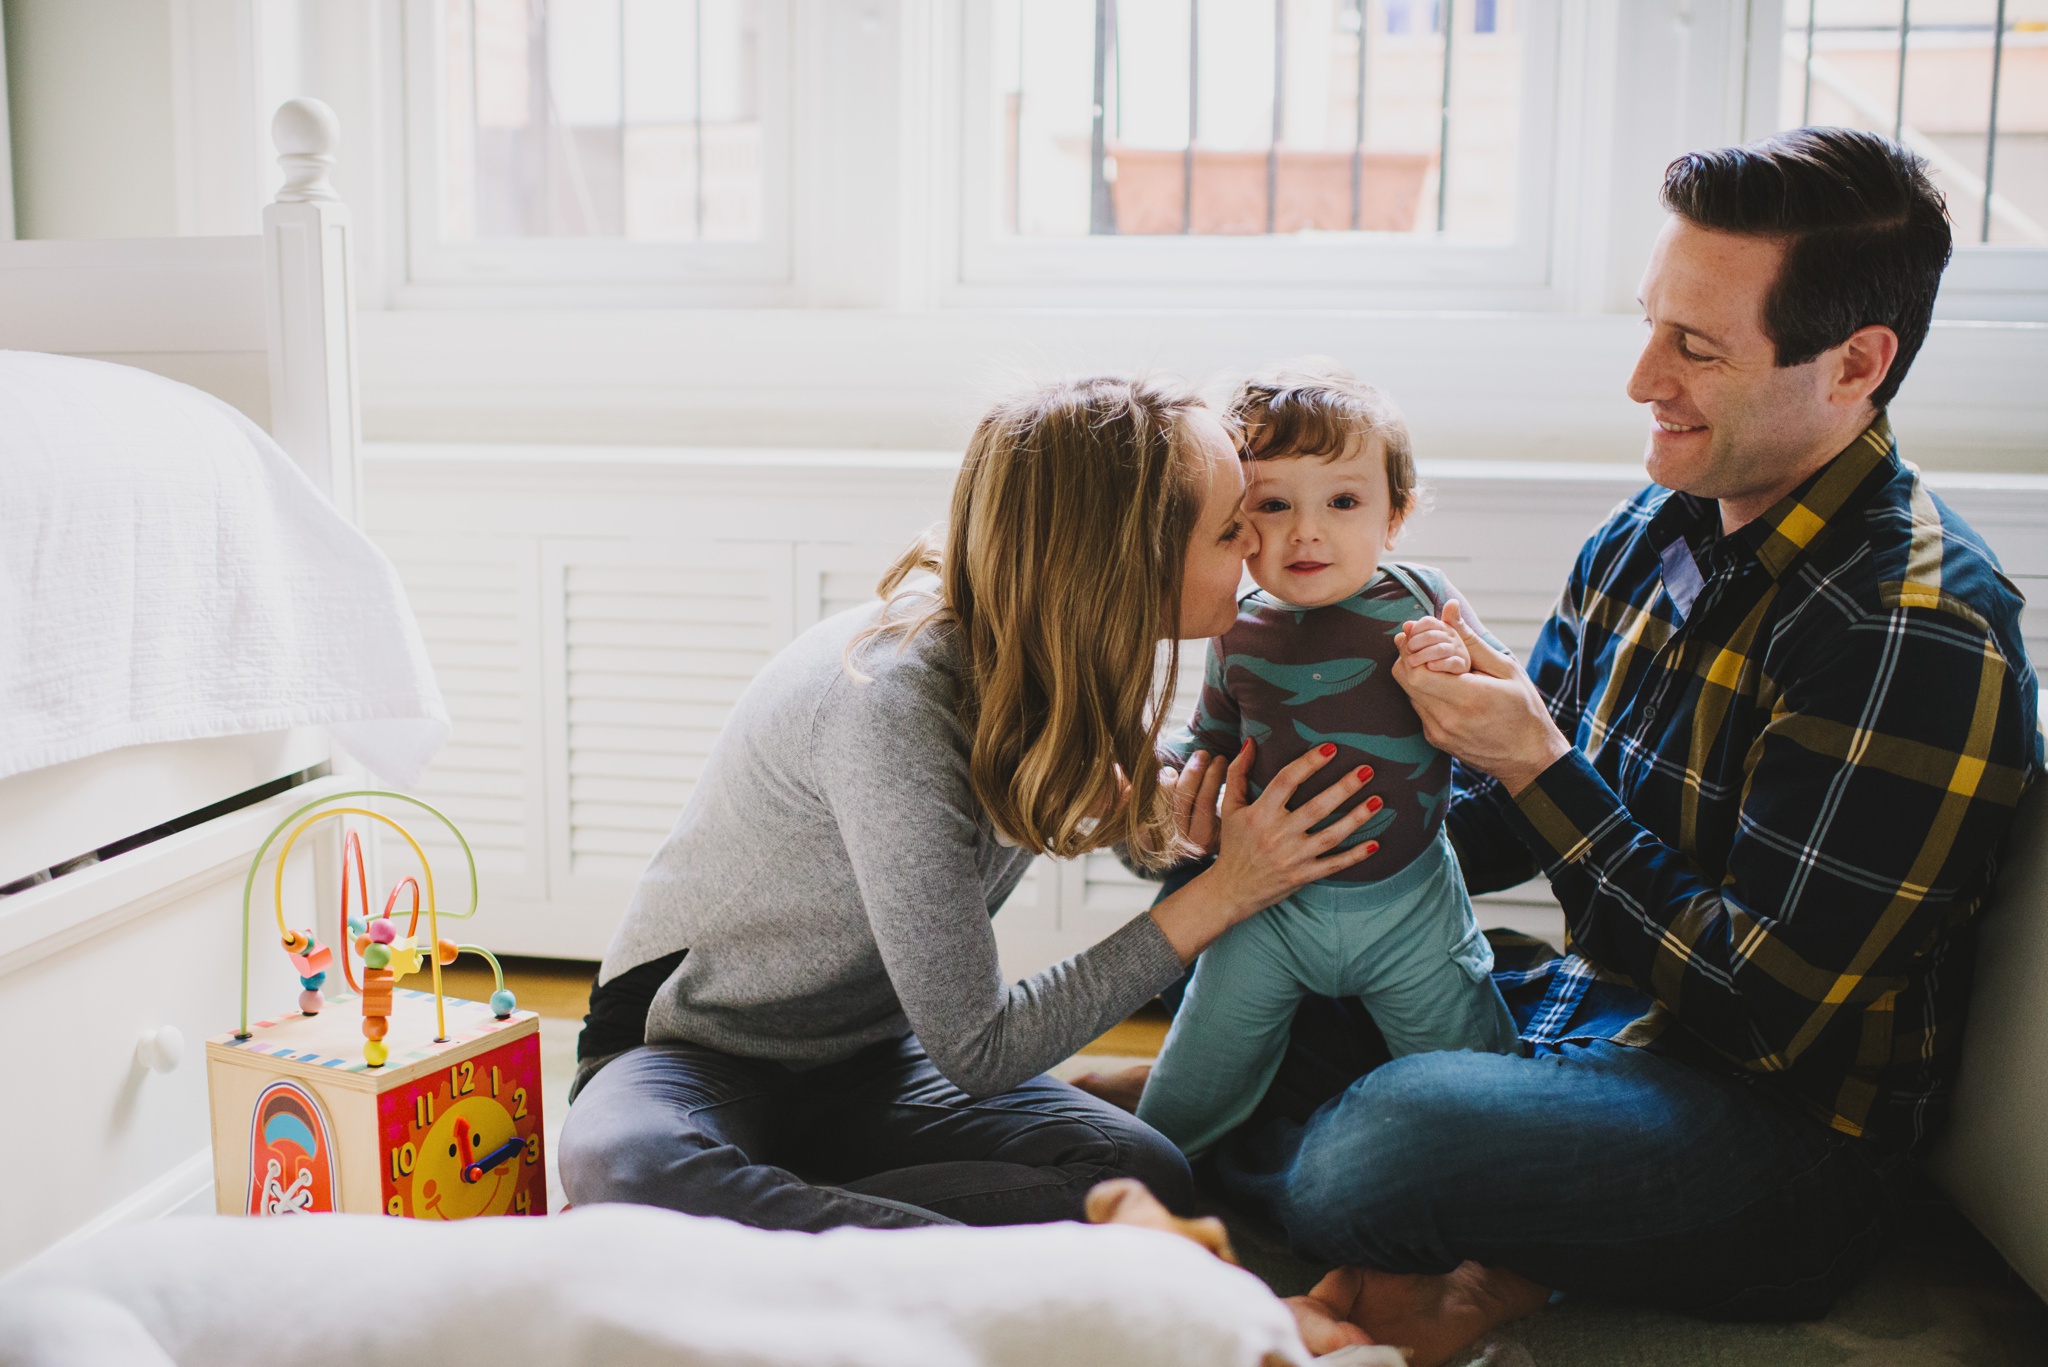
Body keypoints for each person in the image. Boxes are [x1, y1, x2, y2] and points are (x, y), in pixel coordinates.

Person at [1109, 129, 2043, 1367]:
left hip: (1771, 1126)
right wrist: (1271, 826)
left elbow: (1763, 1013)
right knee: (1221, 922)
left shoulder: (1904, 629)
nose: (1639, 378)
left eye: (1693, 348)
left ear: (1852, 364)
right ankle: (1443, 1235)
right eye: (1651, 324)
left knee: (1372, 1150)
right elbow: (1494, 823)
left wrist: (1540, 764)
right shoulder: (1657, 523)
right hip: (1587, 1011)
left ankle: (1399, 1208)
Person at [557, 375, 1391, 1231]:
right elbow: (983, 1045)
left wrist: (1176, 825)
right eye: (1229, 528)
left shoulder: (1062, 656)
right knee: (624, 1166)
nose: (1258, 542)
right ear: (1125, 562)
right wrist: (1227, 892)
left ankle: (794, 1232)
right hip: (691, 1053)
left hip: (867, 1061)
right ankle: (947, 1259)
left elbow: (1124, 833)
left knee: (1140, 1170)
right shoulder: (890, 702)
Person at [1135, 365, 1517, 1159]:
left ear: (1395, 516)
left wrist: (1460, 667)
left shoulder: (1423, 598)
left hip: (1411, 907)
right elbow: (1211, 740)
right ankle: (1144, 1171)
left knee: (1479, 1084)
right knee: (1194, 1077)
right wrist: (1167, 778)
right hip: (1269, 908)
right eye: (1274, 505)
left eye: (1342, 502)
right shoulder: (1234, 628)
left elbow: (1508, 707)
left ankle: (1490, 1196)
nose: (1308, 531)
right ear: (1239, 525)